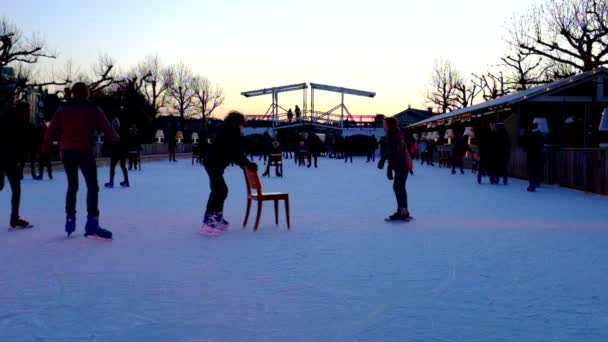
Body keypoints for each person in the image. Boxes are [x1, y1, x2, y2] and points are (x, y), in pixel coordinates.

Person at [43, 82, 119, 239]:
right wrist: (115, 137)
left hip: (67, 150)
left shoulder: (63, 108)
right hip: (84, 150)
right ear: (86, 94)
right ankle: (92, 222)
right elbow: (107, 127)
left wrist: (45, 148)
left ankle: (70, 219)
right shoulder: (92, 108)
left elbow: (50, 130)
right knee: (92, 186)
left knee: (72, 185)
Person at [202, 111, 257, 237]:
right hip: (213, 162)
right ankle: (208, 219)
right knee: (218, 190)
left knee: (221, 190)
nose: (243, 127)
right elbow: (234, 152)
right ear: (236, 123)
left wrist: (246, 159)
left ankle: (218, 216)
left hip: (215, 162)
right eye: (242, 124)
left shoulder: (229, 131)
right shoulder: (228, 132)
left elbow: (236, 148)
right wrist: (247, 163)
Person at [0, 102, 33, 229]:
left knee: (12, 188)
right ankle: (14, 218)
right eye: (28, 110)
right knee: (16, 189)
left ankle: (15, 218)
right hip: (9, 159)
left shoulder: (6, 119)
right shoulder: (22, 125)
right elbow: (22, 147)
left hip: (7, 159)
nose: (29, 113)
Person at [378, 117, 413, 222]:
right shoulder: (394, 134)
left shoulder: (394, 135)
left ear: (389, 125)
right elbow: (391, 151)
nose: (383, 126)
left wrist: (388, 166)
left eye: (384, 124)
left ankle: (402, 212)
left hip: (401, 165)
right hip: (401, 164)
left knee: (398, 187)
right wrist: (384, 159)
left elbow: (395, 153)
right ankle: (403, 211)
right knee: (399, 187)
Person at [105, 116, 130, 188]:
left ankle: (111, 182)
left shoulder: (112, 132)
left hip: (115, 152)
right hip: (123, 152)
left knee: (112, 167)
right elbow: (126, 142)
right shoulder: (123, 131)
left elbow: (109, 142)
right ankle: (126, 181)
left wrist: (108, 150)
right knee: (123, 166)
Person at [523, 122, 544, 192]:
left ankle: (532, 184)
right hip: (538, 155)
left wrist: (526, 149)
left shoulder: (530, 135)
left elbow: (526, 145)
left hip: (531, 155)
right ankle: (536, 183)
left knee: (531, 170)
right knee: (537, 169)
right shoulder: (540, 134)